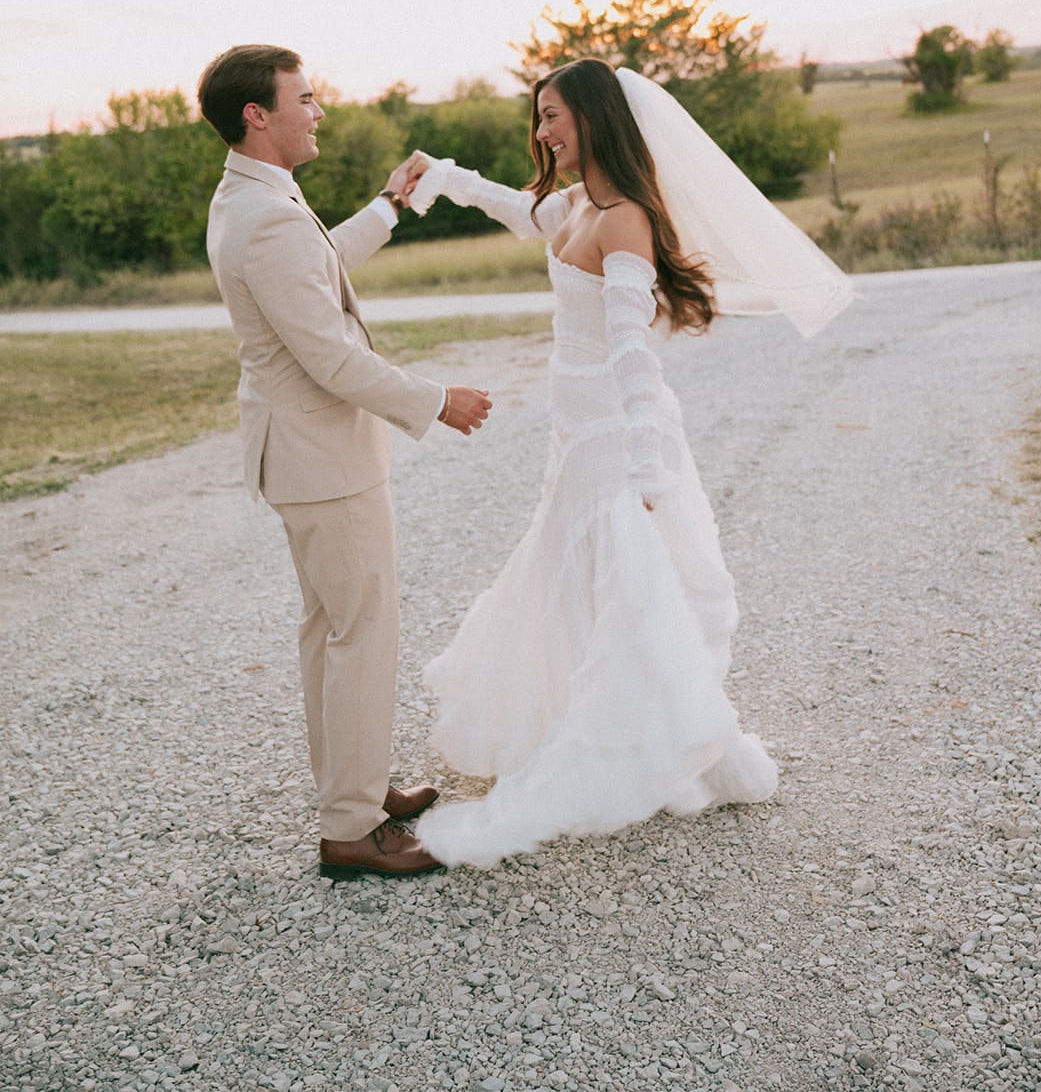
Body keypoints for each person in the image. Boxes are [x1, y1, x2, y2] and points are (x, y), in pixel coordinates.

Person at [405, 58, 854, 869]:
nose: (542, 132)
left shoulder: (624, 221)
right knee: (574, 581)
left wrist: (648, 465)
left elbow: (631, 352)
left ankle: (657, 742)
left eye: (553, 117)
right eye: (538, 118)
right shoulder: (573, 204)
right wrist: (443, 174)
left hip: (617, 436)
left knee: (634, 593)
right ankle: (620, 727)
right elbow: (516, 211)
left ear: (595, 118)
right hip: (571, 433)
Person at [197, 44, 492, 880]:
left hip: (302, 454)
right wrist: (435, 399)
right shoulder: (266, 214)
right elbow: (330, 356)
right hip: (321, 457)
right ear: (259, 113)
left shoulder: (254, 198)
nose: (318, 109)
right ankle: (352, 830)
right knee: (361, 633)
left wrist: (390, 205)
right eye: (307, 96)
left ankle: (355, 791)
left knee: (333, 630)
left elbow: (317, 270)